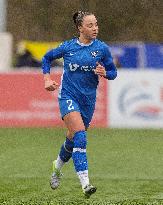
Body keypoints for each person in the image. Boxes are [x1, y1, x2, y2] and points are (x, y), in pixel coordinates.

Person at [42, 11, 117, 198]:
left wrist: (104, 72)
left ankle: (57, 166)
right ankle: (86, 184)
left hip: (88, 102)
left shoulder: (101, 48)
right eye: (90, 25)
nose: (95, 28)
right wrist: (46, 79)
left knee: (72, 138)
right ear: (80, 28)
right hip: (68, 96)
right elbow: (46, 58)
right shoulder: (68, 47)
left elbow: (113, 72)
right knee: (81, 137)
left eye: (96, 24)